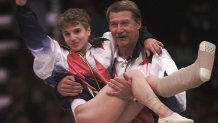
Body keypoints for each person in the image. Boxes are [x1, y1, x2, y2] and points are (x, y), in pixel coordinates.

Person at [16, 0, 216, 123]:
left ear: (88, 30)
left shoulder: (105, 44)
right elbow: (34, 38)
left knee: (145, 80)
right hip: (88, 114)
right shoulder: (58, 56)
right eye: (67, 34)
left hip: (114, 113)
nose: (72, 38)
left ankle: (195, 74)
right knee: (135, 76)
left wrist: (146, 36)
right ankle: (166, 114)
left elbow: (127, 30)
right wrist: (23, 8)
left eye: (77, 31)